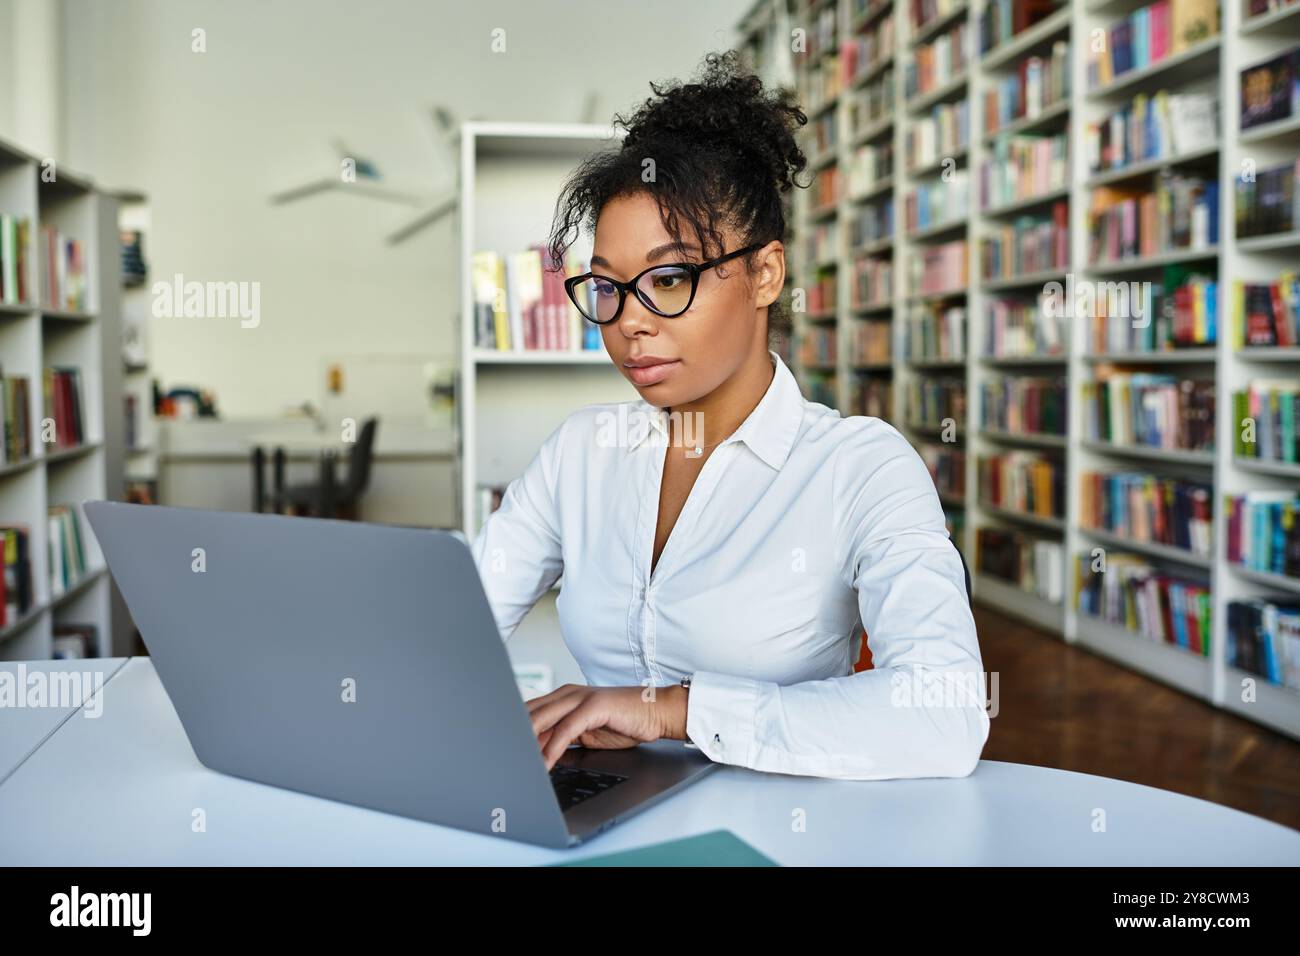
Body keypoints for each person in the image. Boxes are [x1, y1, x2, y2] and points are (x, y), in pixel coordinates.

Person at [471, 51, 989, 781]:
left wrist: (671, 709)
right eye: (609, 288)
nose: (629, 323)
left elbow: (946, 714)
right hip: (605, 815)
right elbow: (452, 633)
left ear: (765, 273)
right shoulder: (581, 454)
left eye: (671, 277)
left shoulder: (858, 466)